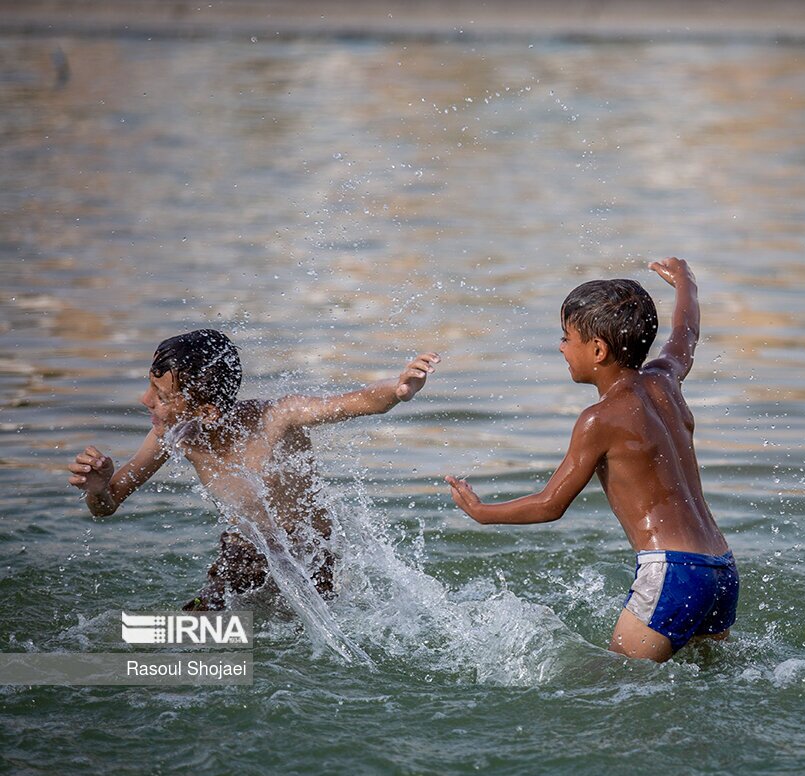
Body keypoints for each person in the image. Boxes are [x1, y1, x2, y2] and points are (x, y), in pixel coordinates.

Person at [446, 258, 737, 662]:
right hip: (720, 567)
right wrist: (687, 282)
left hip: (672, 570)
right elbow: (686, 333)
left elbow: (551, 504)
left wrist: (482, 512)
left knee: (618, 686)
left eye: (566, 338)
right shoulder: (666, 379)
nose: (561, 348)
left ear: (597, 349)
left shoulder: (599, 420)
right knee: (709, 683)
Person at [67, 329, 439, 610]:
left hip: (308, 554)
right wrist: (98, 489)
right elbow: (107, 507)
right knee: (184, 632)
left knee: (293, 651)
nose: (145, 400)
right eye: (150, 386)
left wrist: (399, 389)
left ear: (208, 412)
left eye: (162, 396)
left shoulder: (277, 418)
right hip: (244, 551)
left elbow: (354, 402)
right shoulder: (174, 436)